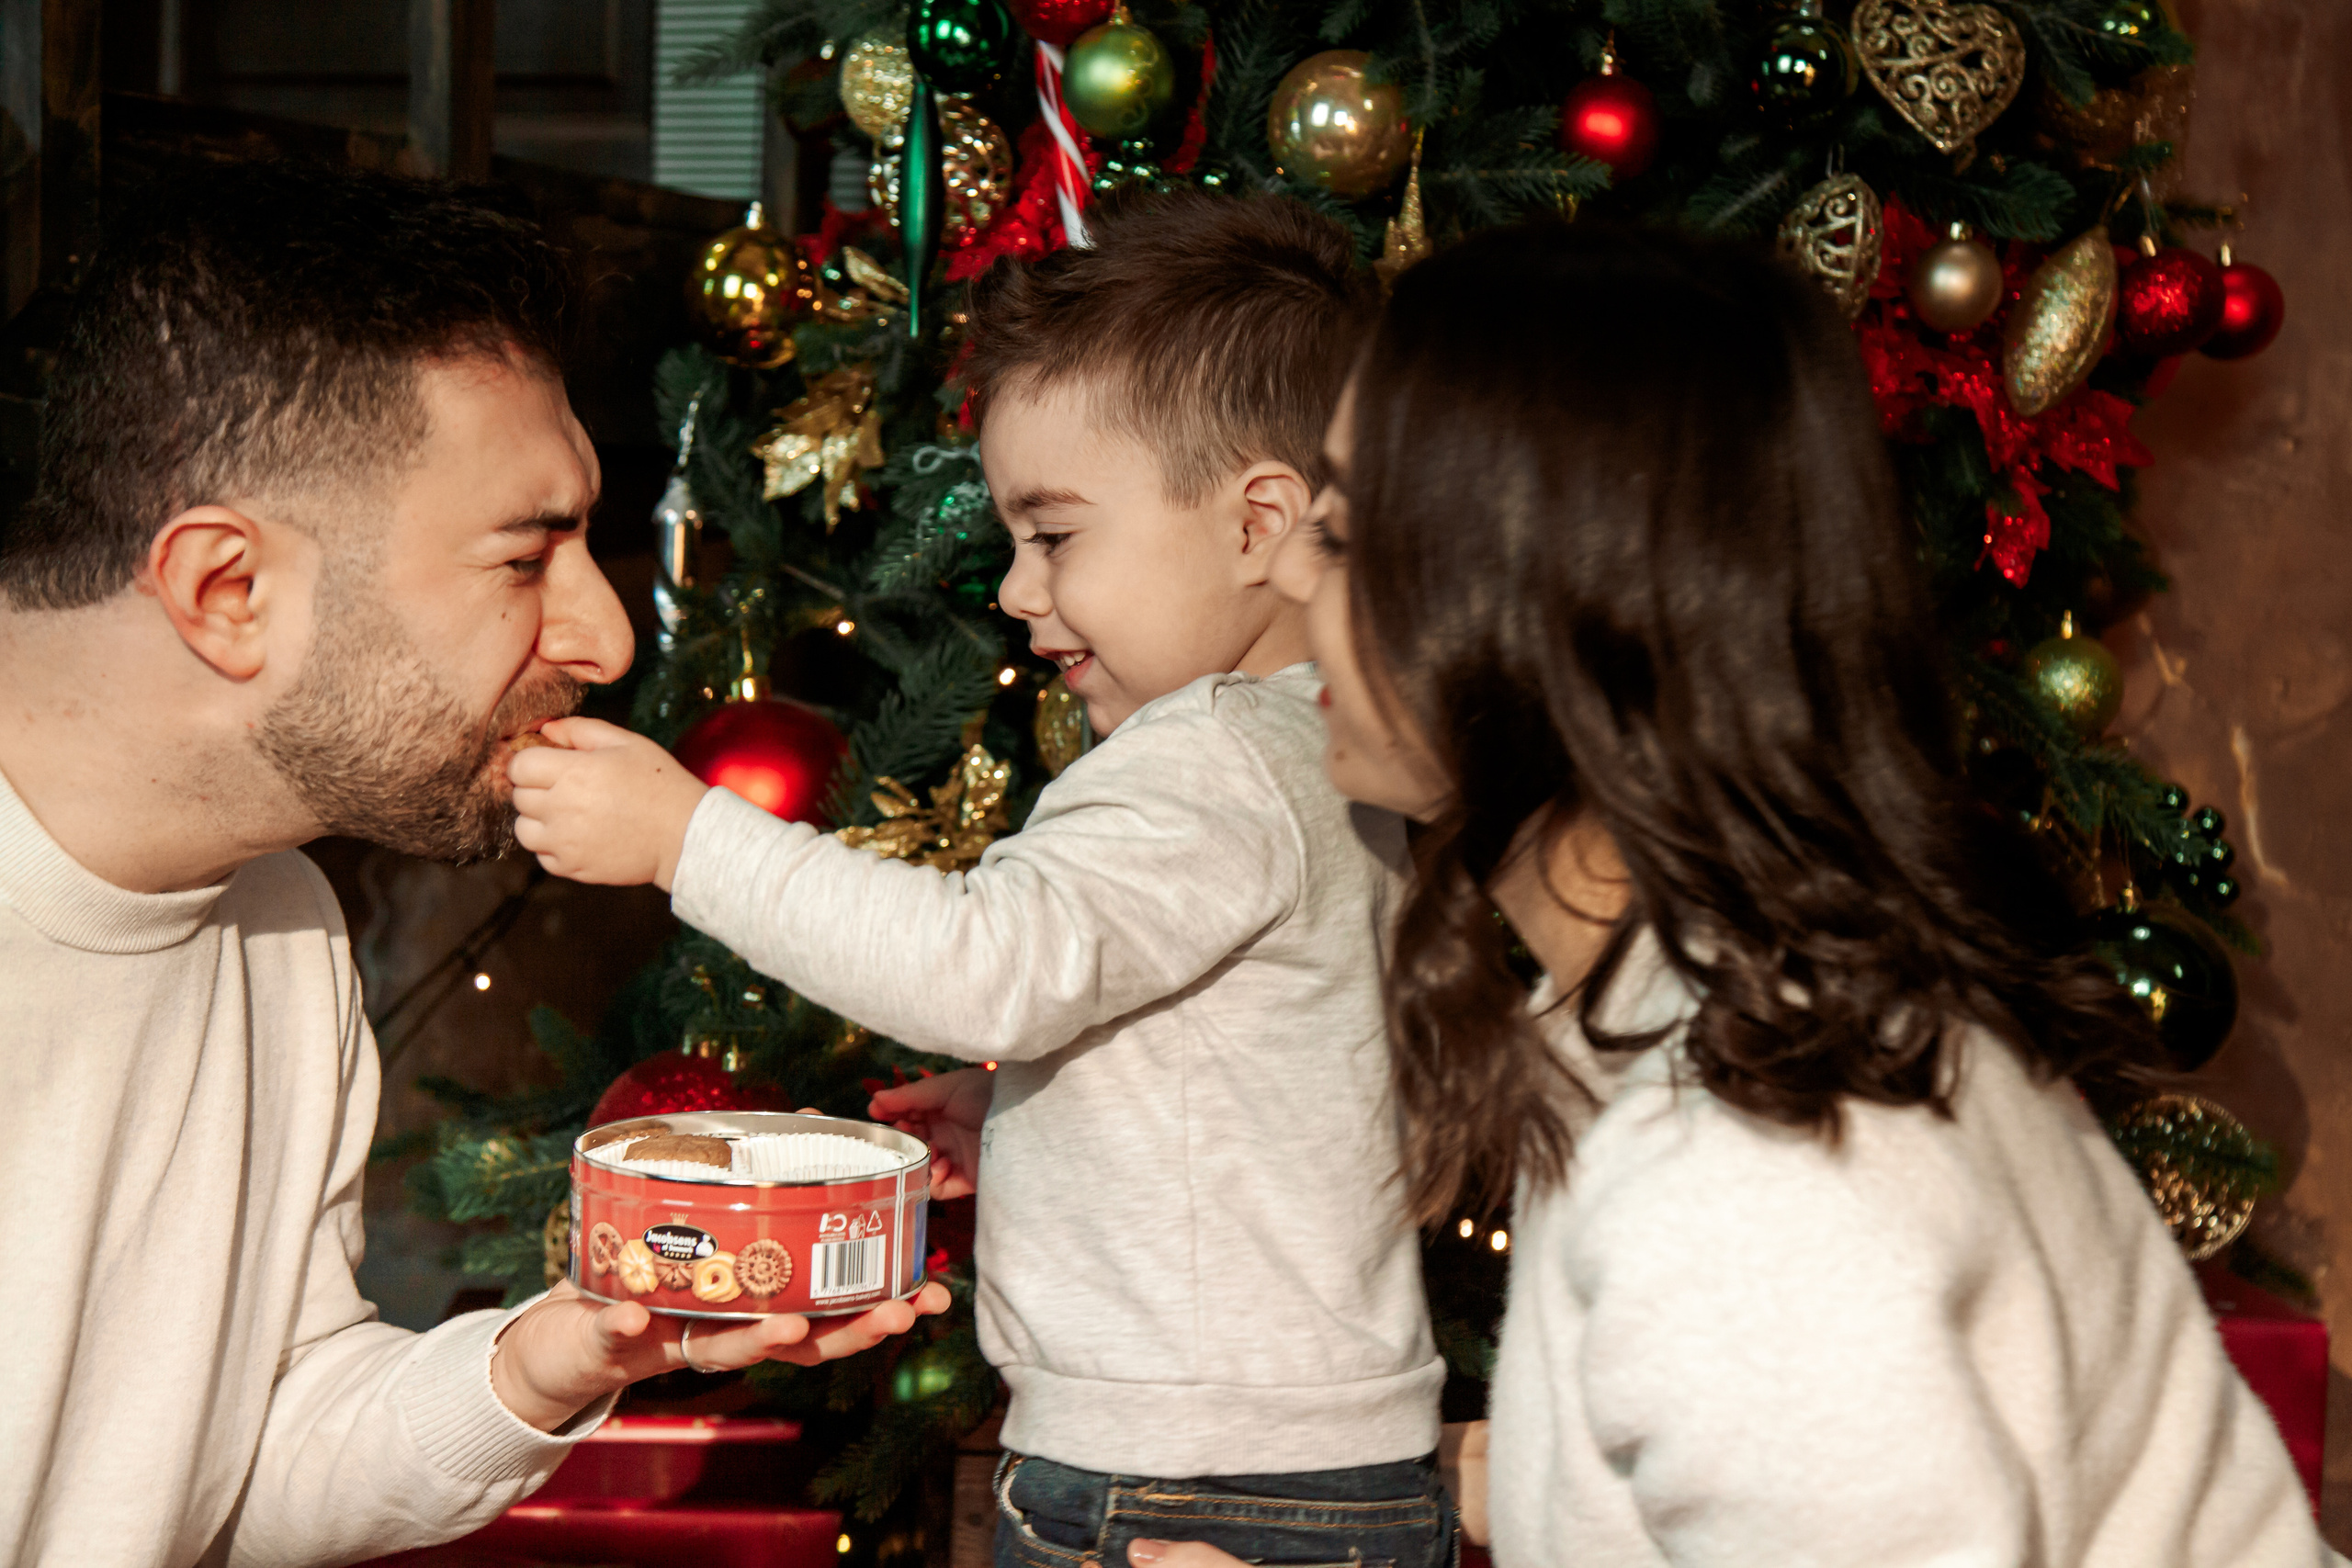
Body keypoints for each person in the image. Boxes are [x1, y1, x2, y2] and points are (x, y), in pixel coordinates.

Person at [1131, 222, 2336, 1567]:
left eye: (1346, 532)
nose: (1292, 571)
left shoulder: (1743, 1186)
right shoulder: (1737, 1003)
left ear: (1541, 598)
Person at [0, 163, 944, 1568]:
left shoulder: (281, 923)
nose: (607, 643)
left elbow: (234, 1460)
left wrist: (556, 1361)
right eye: (527, 554)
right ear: (228, 592)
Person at [506, 192, 1455, 1568]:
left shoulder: (1211, 759)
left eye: (1057, 536)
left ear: (1260, 525)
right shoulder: (1311, 750)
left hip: (1191, 1479)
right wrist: (1044, 1119)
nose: (1016, 590)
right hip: (1267, 1453)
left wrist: (687, 840)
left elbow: (985, 964)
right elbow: (1271, 1087)